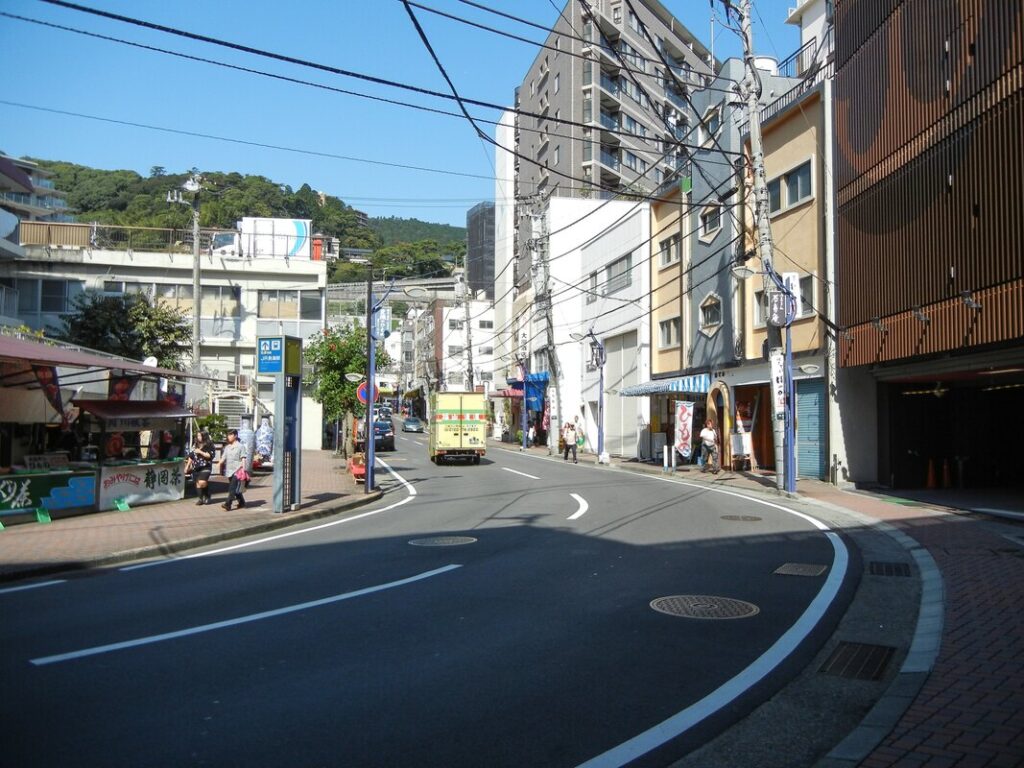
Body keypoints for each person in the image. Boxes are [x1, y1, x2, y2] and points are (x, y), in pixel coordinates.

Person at [218, 429, 249, 510]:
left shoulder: (240, 446)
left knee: (232, 488)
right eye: (228, 435)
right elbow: (223, 457)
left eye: (231, 435)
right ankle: (242, 502)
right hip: (229, 470)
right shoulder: (227, 447)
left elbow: (243, 458)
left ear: (235, 436)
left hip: (238, 470)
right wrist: (218, 463)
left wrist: (244, 469)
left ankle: (228, 504)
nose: (229, 437)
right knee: (235, 489)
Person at [184, 431, 215, 505]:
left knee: (202, 482)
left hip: (206, 466)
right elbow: (191, 456)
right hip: (196, 467)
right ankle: (201, 498)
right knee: (198, 483)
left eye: (200, 436)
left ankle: (207, 495)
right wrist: (187, 466)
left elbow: (210, 456)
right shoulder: (195, 445)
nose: (198, 437)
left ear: (204, 436)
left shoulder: (209, 445)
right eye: (198, 436)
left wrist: (200, 452)